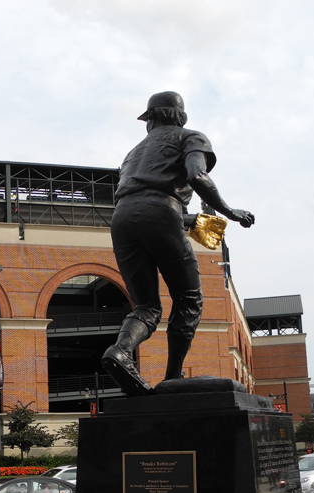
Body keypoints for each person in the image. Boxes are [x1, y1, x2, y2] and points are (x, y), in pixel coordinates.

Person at [101, 91, 254, 396]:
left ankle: (120, 351)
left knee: (146, 306)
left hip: (121, 218)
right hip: (161, 213)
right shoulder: (191, 137)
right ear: (180, 117)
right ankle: (172, 376)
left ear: (152, 118)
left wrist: (189, 221)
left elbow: (142, 200)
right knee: (189, 299)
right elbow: (196, 176)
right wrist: (229, 211)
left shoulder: (132, 154)